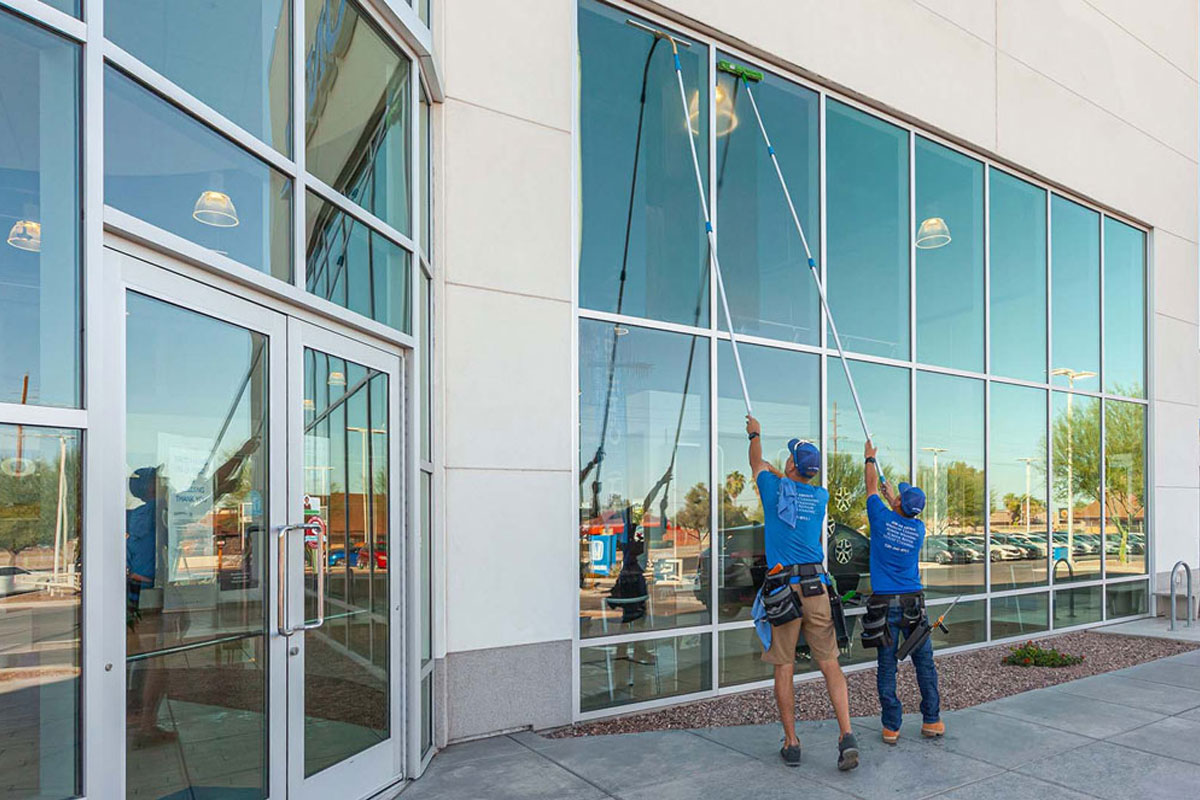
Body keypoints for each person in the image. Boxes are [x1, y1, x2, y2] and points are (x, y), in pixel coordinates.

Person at [746, 415, 858, 771]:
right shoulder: (820, 495)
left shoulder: (774, 488)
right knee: (830, 664)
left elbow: (756, 461)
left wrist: (755, 432)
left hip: (783, 591)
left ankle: (792, 743)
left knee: (785, 665)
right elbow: (783, 477)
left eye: (791, 457)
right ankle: (847, 736)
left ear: (792, 463)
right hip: (816, 588)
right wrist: (787, 472)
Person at [863, 440, 944, 744]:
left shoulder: (881, 518)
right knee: (924, 663)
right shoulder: (918, 528)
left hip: (885, 605)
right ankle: (932, 721)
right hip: (914, 604)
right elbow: (897, 510)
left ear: (897, 504)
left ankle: (891, 728)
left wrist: (870, 459)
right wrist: (892, 497)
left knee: (887, 666)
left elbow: (870, 488)